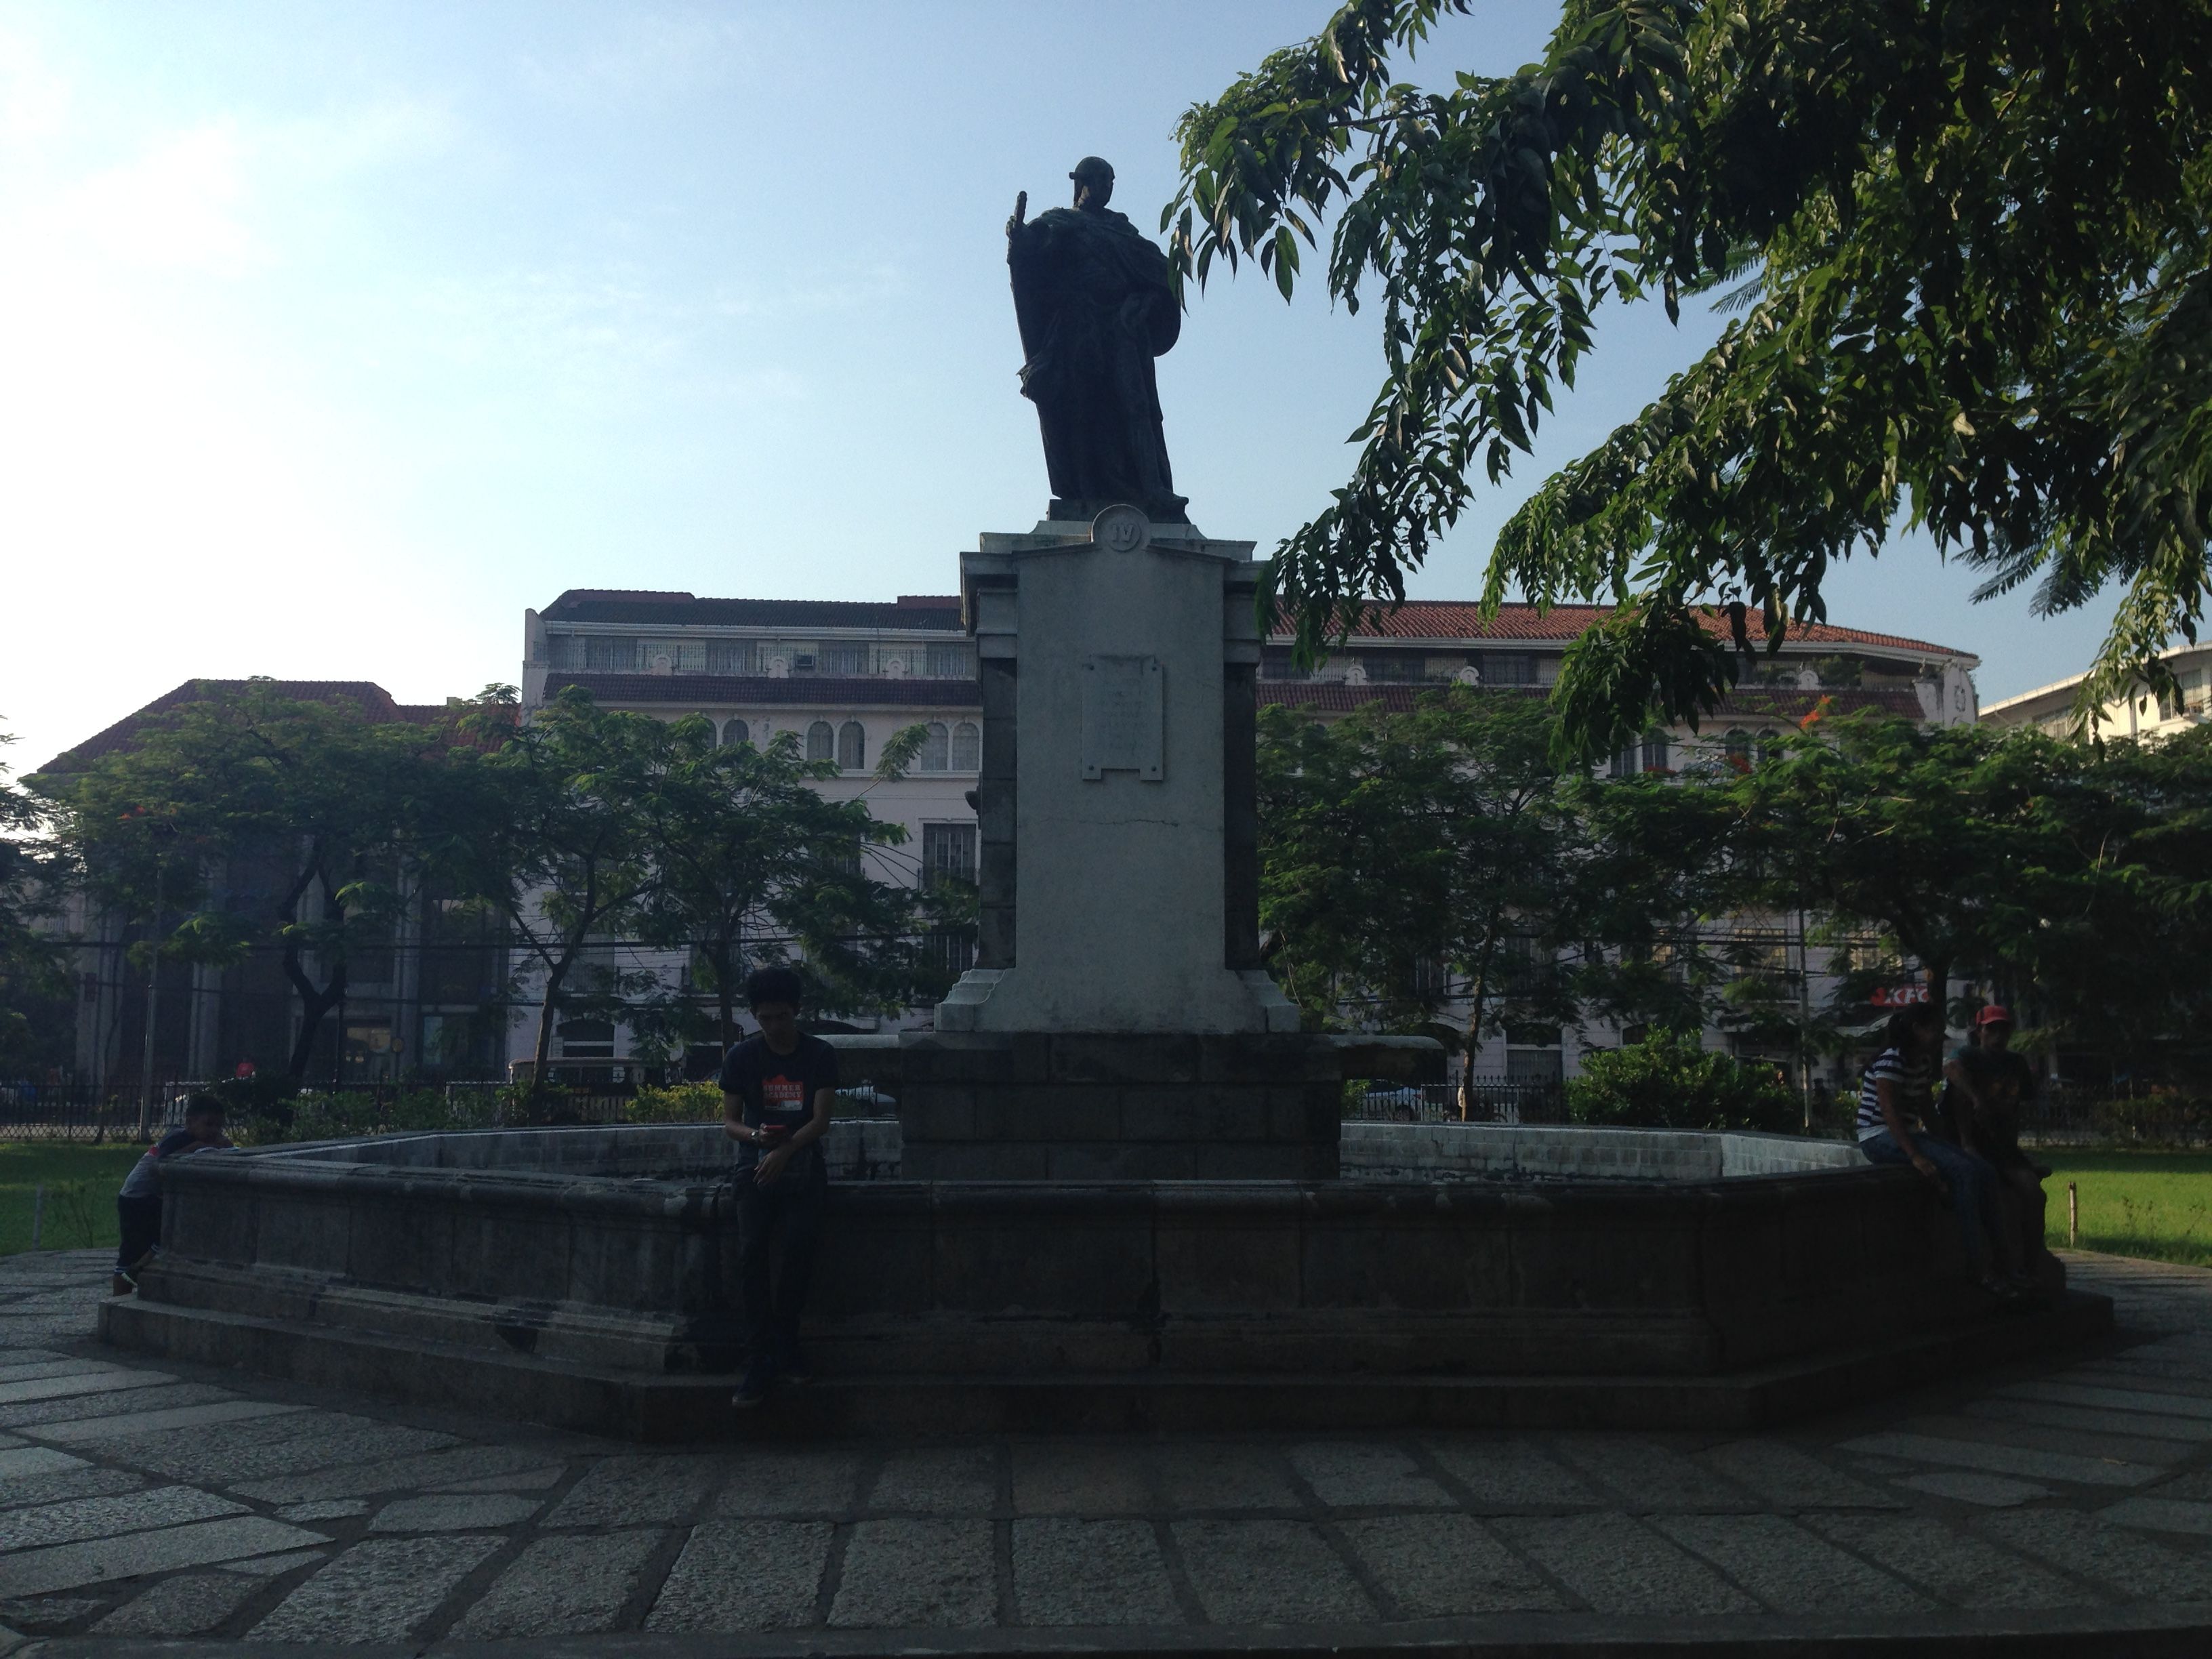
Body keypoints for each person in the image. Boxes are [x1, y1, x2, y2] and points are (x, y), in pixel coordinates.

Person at [719, 966, 839, 1408]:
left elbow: (821, 1120)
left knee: (798, 1248)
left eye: (782, 1017)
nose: (773, 1026)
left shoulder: (819, 1055)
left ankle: (787, 1343)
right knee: (751, 1255)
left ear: (796, 1012)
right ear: (755, 1015)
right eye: (765, 1018)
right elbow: (731, 1122)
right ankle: (759, 1356)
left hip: (803, 1163)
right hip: (755, 1163)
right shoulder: (742, 1057)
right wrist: (757, 1140)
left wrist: (785, 1150)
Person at [1854, 1003, 2028, 1301]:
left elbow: (1927, 1112)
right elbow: (1890, 1115)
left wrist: (1952, 1148)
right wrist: (1917, 1157)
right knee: (1965, 1173)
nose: (1940, 1035)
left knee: (1982, 1170)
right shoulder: (1891, 1061)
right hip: (1878, 1136)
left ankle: (2006, 1264)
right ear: (1916, 1030)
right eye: (1934, 1028)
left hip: (1906, 1134)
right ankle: (1979, 1268)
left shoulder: (1920, 1062)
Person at [1945, 1005, 2055, 1288]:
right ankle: (1991, 1265)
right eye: (1991, 1028)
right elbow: (1951, 1069)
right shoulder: (1969, 1056)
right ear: (1979, 1031)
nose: (1998, 1035)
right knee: (1987, 1194)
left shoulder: (2016, 1063)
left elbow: (2020, 1107)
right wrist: (1976, 1098)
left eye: (2003, 1029)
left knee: (2034, 1194)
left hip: (2003, 1146)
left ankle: (2032, 1264)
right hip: (1970, 1143)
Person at [112, 1092, 230, 1296]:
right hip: (137, 1199)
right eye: (209, 1125)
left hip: (153, 1198)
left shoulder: (197, 1138)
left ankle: (143, 1266)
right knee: (133, 1248)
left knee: (171, 1231)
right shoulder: (178, 1137)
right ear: (190, 1122)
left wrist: (221, 1144)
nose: (214, 1131)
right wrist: (199, 1146)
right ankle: (125, 1284)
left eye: (219, 1127)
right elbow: (162, 1165)